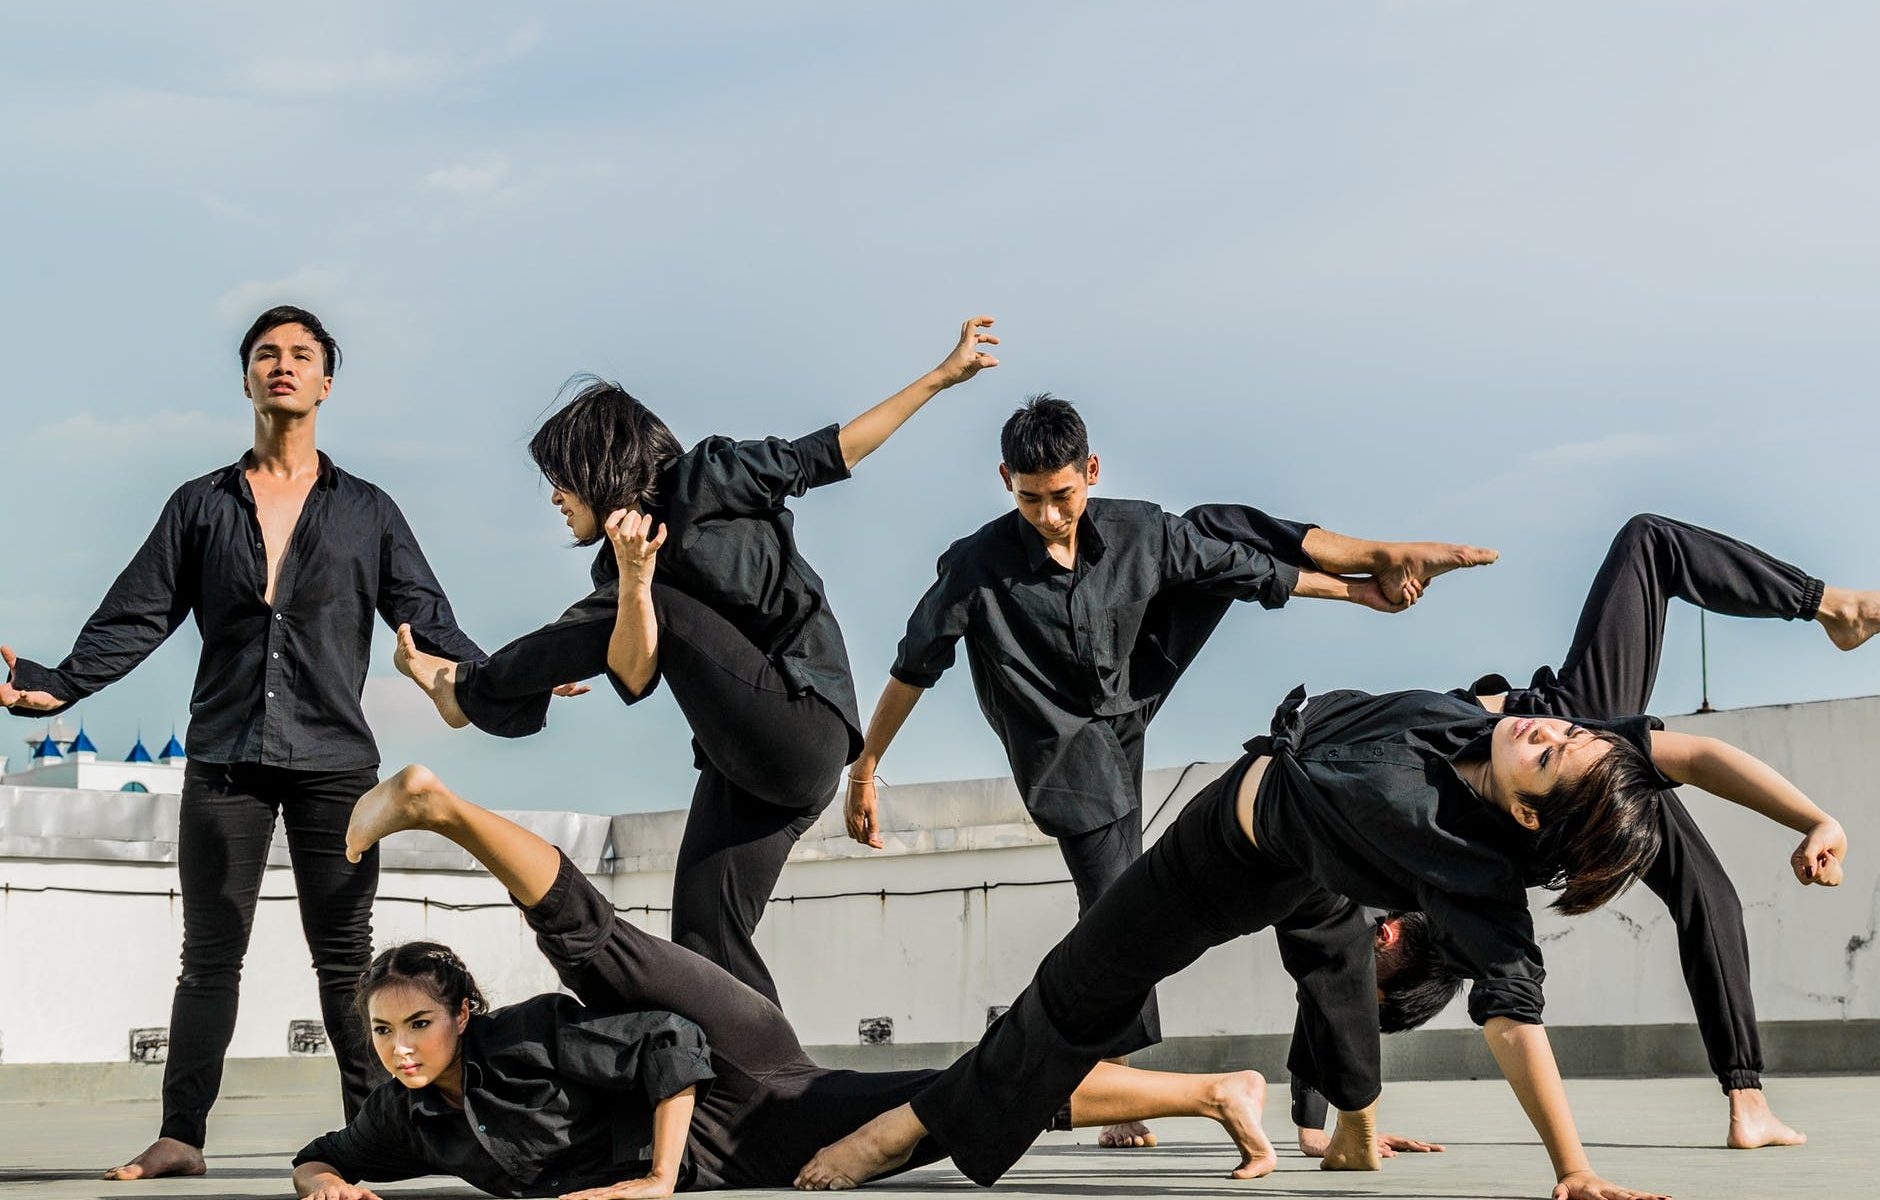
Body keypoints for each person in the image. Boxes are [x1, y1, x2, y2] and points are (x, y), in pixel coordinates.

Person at [797, 670, 1846, 1196]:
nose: (1545, 727)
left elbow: (1515, 1016)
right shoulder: (1498, 736)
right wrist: (1810, 818)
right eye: (1561, 729)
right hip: (1299, 856)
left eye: (1549, 754)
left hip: (1223, 863)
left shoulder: (1451, 848)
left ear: (1528, 816)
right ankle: (1348, 1132)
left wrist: (1567, 1169)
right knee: (1335, 957)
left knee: (1075, 993)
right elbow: (1695, 754)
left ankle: (904, 1128)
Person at [842, 393, 1498, 1147]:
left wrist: (1358, 594)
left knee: (1214, 529)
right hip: (1061, 747)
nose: (1051, 517)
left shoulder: (1134, 529)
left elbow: (1247, 571)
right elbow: (911, 669)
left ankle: (1376, 552)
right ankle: (1122, 1079)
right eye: (1031, 501)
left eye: (1064, 497)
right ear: (1005, 482)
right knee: (1118, 900)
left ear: (1090, 471)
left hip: (1133, 689)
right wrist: (865, 771)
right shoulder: (974, 567)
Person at [288, 766, 1283, 1199]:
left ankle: (440, 807)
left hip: (726, 1058)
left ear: (463, 1013)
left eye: (416, 1022)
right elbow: (324, 1150)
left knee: (590, 948)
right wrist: (325, 1181)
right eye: (381, 1033)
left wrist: (655, 1181)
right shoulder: (407, 1118)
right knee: (957, 1097)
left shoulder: (522, 1044)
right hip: (774, 1123)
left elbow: (670, 1050)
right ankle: (1216, 1091)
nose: (398, 1046)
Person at [0, 306, 485, 1181]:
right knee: (209, 956)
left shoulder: (369, 510)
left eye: (302, 355)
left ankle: (365, 1138)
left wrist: (509, 676)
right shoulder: (199, 505)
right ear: (248, 378)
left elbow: (429, 618)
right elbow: (137, 612)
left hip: (337, 764)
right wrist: (59, 683)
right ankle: (182, 1135)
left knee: (347, 962)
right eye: (268, 354)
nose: (284, 366)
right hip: (226, 757)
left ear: (327, 382)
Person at [392, 316, 1000, 1008]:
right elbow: (635, 674)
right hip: (740, 764)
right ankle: (775, 1092)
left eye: (560, 480)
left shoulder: (708, 476)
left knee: (655, 599)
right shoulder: (617, 563)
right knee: (706, 941)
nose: (555, 499)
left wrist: (942, 376)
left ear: (598, 467)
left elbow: (831, 453)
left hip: (802, 724)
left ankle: (468, 692)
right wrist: (629, 582)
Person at [1294, 512, 1880, 1154]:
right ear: (1397, 957)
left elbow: (1327, 973)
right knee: (1649, 542)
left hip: (1559, 795)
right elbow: (1696, 756)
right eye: (1370, 966)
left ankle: (1749, 1103)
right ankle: (1835, 608)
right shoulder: (1453, 872)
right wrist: (1813, 818)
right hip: (1555, 743)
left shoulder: (1397, 873)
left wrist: (1314, 1127)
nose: (1364, 943)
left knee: (1708, 895)